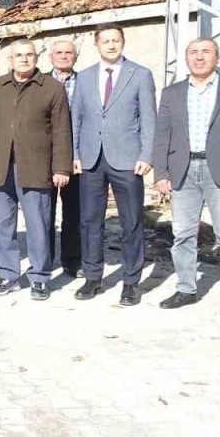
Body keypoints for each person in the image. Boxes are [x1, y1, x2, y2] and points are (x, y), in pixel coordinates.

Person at [153, 38, 220, 317]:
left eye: (206, 52)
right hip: (183, 171)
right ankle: (186, 289)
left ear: (217, 58)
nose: (199, 58)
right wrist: (161, 172)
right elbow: (162, 135)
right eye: (193, 53)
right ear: (187, 59)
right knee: (182, 235)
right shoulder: (172, 93)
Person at [0, 39, 73, 301]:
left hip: (36, 168)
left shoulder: (52, 88)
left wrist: (61, 167)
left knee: (39, 224)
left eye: (29, 55)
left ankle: (39, 277)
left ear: (37, 57)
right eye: (19, 55)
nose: (24, 59)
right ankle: (8, 274)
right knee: (1, 225)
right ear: (10, 59)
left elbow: (62, 131)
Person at [70, 25, 157, 306]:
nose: (111, 45)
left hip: (128, 160)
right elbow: (77, 119)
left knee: (131, 222)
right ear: (96, 44)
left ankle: (131, 281)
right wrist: (75, 153)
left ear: (122, 42)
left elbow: (149, 119)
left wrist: (146, 155)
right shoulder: (83, 78)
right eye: (105, 41)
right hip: (91, 159)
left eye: (115, 40)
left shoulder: (140, 74)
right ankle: (93, 276)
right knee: (90, 220)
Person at [47, 38, 82, 277]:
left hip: (77, 158)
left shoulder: (86, 83)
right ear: (51, 57)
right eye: (58, 52)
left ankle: (72, 261)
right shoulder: (39, 84)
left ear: (75, 57)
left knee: (74, 212)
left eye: (68, 52)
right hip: (45, 158)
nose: (63, 56)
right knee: (43, 212)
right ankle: (44, 260)